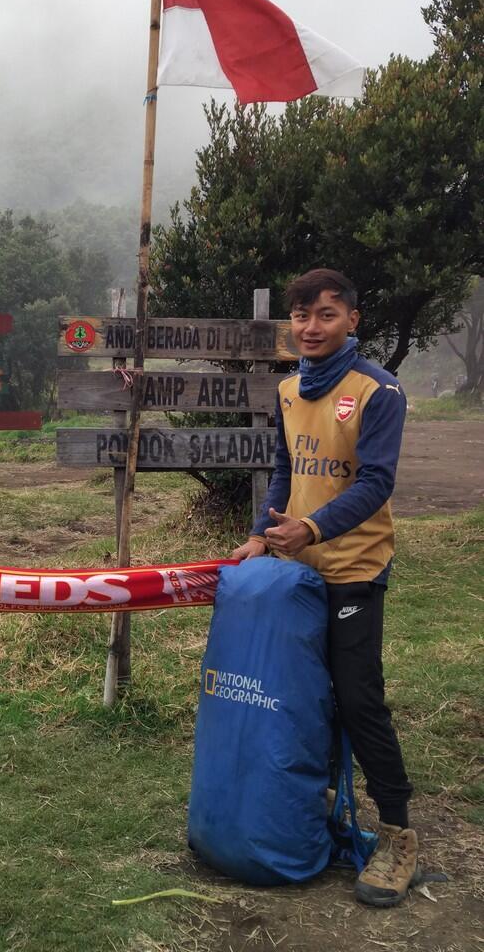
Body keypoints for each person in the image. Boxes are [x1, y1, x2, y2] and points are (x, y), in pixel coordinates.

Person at [231, 268, 415, 908]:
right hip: (297, 573)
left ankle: (397, 836)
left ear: (352, 322)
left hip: (355, 568)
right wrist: (263, 533)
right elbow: (284, 467)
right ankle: (326, 801)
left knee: (359, 698)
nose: (311, 328)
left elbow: (376, 483)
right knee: (303, 695)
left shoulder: (379, 390)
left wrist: (310, 529)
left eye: (326, 315)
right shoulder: (289, 389)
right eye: (302, 316)